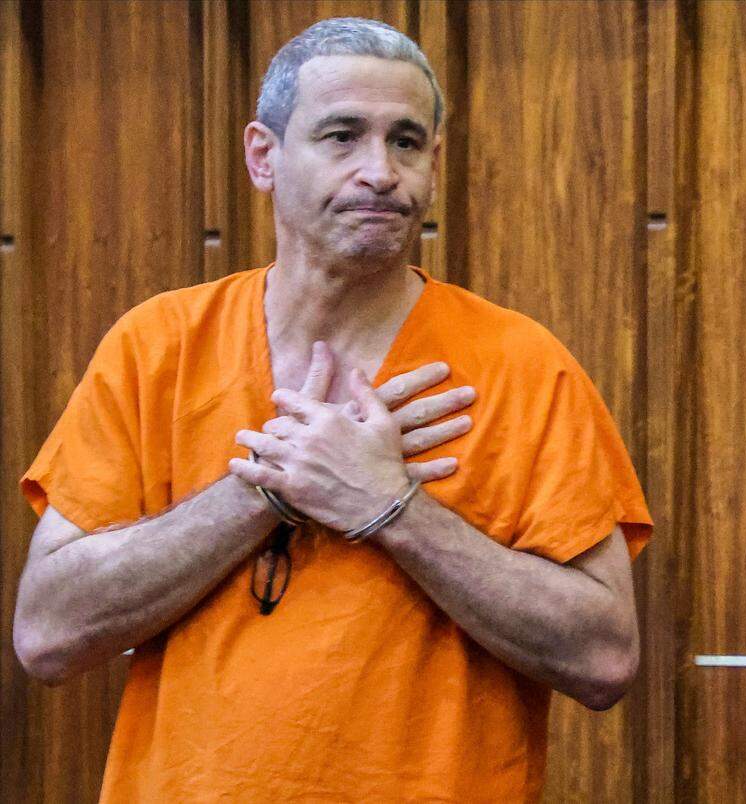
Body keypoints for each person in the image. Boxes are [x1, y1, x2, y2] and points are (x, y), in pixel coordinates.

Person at [12, 17, 652, 803]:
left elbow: (604, 659)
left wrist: (392, 507)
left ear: (434, 163)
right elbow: (48, 635)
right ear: (263, 156)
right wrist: (264, 490)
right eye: (343, 136)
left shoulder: (522, 365)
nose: (381, 172)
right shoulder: (159, 346)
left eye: (408, 142)